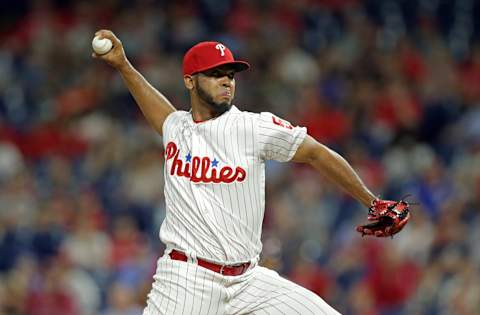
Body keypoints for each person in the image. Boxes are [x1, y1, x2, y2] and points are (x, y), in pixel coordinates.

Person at [92, 29, 405, 315]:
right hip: (186, 280)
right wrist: (123, 66)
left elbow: (316, 153)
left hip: (249, 281)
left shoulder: (253, 127)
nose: (227, 81)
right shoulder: (177, 128)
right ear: (190, 80)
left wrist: (371, 201)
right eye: (216, 74)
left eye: (230, 74)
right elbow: (159, 110)